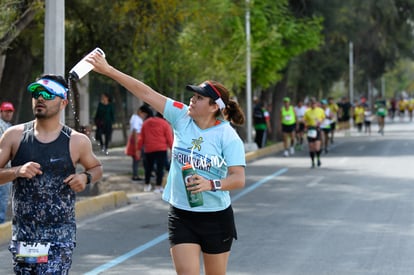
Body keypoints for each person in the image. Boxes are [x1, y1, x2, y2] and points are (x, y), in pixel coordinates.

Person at [88, 53, 246, 275]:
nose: (192, 99)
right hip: (181, 214)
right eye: (193, 95)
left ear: (213, 107)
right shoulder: (181, 116)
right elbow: (145, 92)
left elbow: (238, 178)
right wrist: (108, 70)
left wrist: (210, 184)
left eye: (199, 98)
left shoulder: (227, 136)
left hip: (216, 217)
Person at [0, 74, 103, 274]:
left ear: (63, 102)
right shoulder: (14, 136)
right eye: (37, 93)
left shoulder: (77, 141)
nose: (40, 98)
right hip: (25, 237)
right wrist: (16, 171)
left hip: (59, 237)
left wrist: (85, 177)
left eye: (47, 94)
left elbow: (96, 167)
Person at [137, 112, 173, 193]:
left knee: (148, 168)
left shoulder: (146, 123)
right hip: (161, 149)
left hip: (149, 148)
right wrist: (172, 149)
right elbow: (169, 138)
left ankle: (147, 185)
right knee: (160, 168)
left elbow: (141, 137)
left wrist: (138, 149)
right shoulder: (165, 124)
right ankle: (158, 186)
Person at [125, 105, 152, 181]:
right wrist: (137, 146)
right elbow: (135, 132)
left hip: (138, 140)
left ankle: (136, 174)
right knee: (137, 158)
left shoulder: (137, 118)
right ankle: (135, 175)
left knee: (138, 159)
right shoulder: (136, 119)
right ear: (140, 112)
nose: (144, 116)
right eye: (143, 114)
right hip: (136, 141)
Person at [0, 102, 15, 223]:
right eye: (6, 111)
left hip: (7, 168)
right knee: (3, 197)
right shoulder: (2, 126)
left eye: (10, 111)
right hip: (3, 168)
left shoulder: (9, 127)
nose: (8, 113)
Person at [303, 98, 325, 168]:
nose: (313, 105)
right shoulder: (307, 112)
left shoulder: (320, 110)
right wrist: (306, 124)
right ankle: (312, 162)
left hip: (317, 129)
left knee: (317, 147)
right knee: (311, 147)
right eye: (312, 103)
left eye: (314, 103)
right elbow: (304, 120)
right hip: (310, 129)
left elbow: (323, 118)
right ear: (310, 104)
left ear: (316, 104)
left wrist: (320, 122)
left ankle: (318, 159)